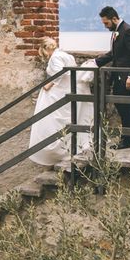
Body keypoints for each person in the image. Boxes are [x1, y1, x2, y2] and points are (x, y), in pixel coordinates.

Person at [29, 38, 94, 166]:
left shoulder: (55, 57)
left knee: (53, 120)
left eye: (43, 53)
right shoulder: (66, 55)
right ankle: (74, 147)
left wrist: (50, 84)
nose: (45, 56)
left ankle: (60, 151)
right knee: (73, 118)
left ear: (46, 48)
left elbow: (60, 73)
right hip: (70, 88)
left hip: (61, 91)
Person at [95, 6, 130, 149]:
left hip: (127, 79)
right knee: (122, 106)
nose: (105, 26)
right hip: (118, 78)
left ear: (114, 19)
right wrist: (96, 62)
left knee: (125, 108)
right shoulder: (118, 31)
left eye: (106, 23)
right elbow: (114, 54)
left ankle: (127, 140)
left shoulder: (128, 31)